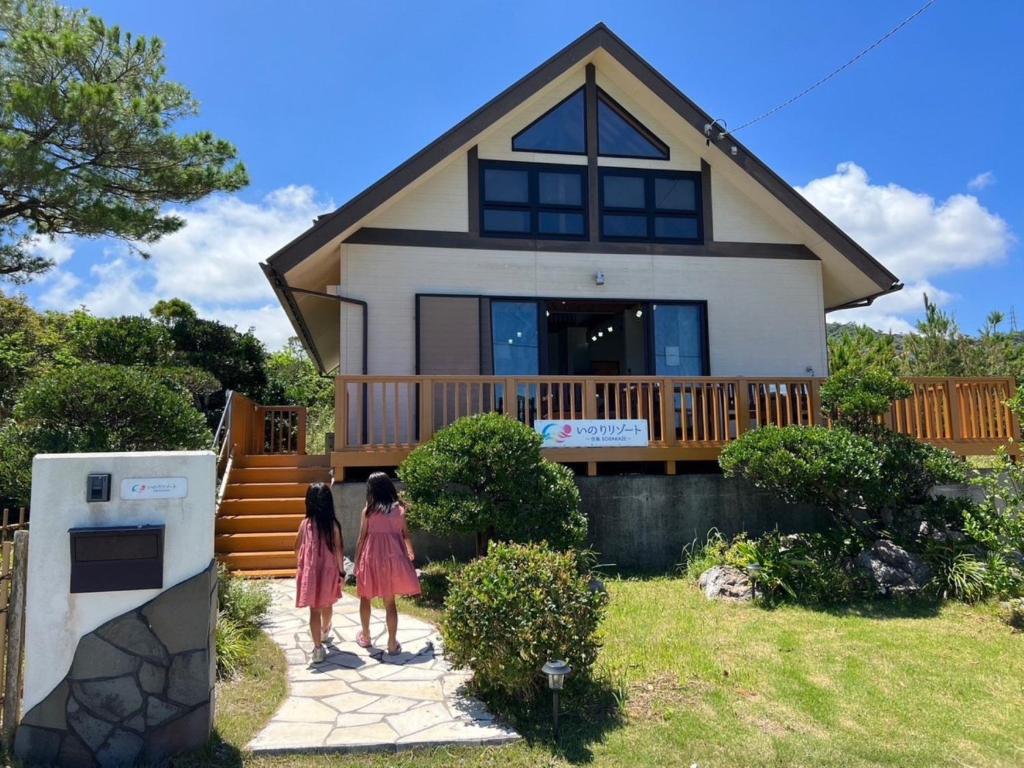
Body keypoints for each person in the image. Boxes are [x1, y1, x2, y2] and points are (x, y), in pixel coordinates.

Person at [354, 472, 420, 655]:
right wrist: (410, 551)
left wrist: (356, 561)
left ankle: (366, 636)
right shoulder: (399, 510)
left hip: (371, 558)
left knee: (365, 596)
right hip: (392, 558)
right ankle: (392, 643)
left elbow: (361, 538)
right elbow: (405, 534)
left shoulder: (368, 511)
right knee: (390, 602)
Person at [294, 482, 344, 664]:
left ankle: (317, 648)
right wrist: (342, 573)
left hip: (311, 573)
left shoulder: (305, 524)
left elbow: (296, 547)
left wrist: (302, 565)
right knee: (327, 603)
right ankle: (325, 630)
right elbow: (339, 550)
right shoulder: (333, 526)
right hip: (329, 573)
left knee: (313, 611)